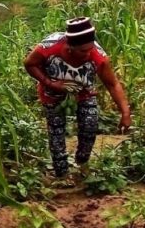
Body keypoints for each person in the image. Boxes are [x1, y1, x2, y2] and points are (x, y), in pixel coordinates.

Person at [23, 17, 132, 180]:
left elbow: (112, 84)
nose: (88, 53)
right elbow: (29, 64)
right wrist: (51, 83)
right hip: (52, 93)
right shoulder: (49, 47)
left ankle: (82, 163)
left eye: (90, 49)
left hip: (84, 92)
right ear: (69, 46)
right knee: (56, 131)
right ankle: (62, 174)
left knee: (90, 125)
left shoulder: (98, 56)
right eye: (82, 51)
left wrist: (125, 112)